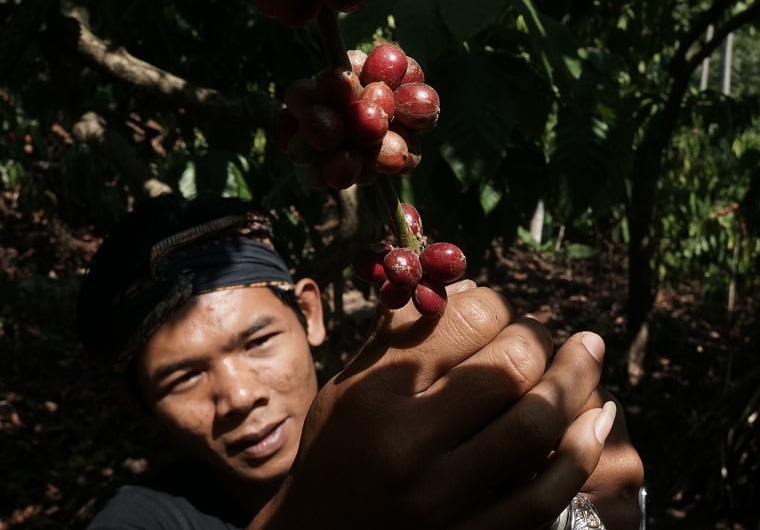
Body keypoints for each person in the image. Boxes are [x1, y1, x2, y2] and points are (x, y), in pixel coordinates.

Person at [75, 194, 645, 529]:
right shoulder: (140, 519)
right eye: (184, 376)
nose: (240, 396)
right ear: (140, 403)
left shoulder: (443, 442)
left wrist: (580, 511)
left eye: (258, 343)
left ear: (310, 313)